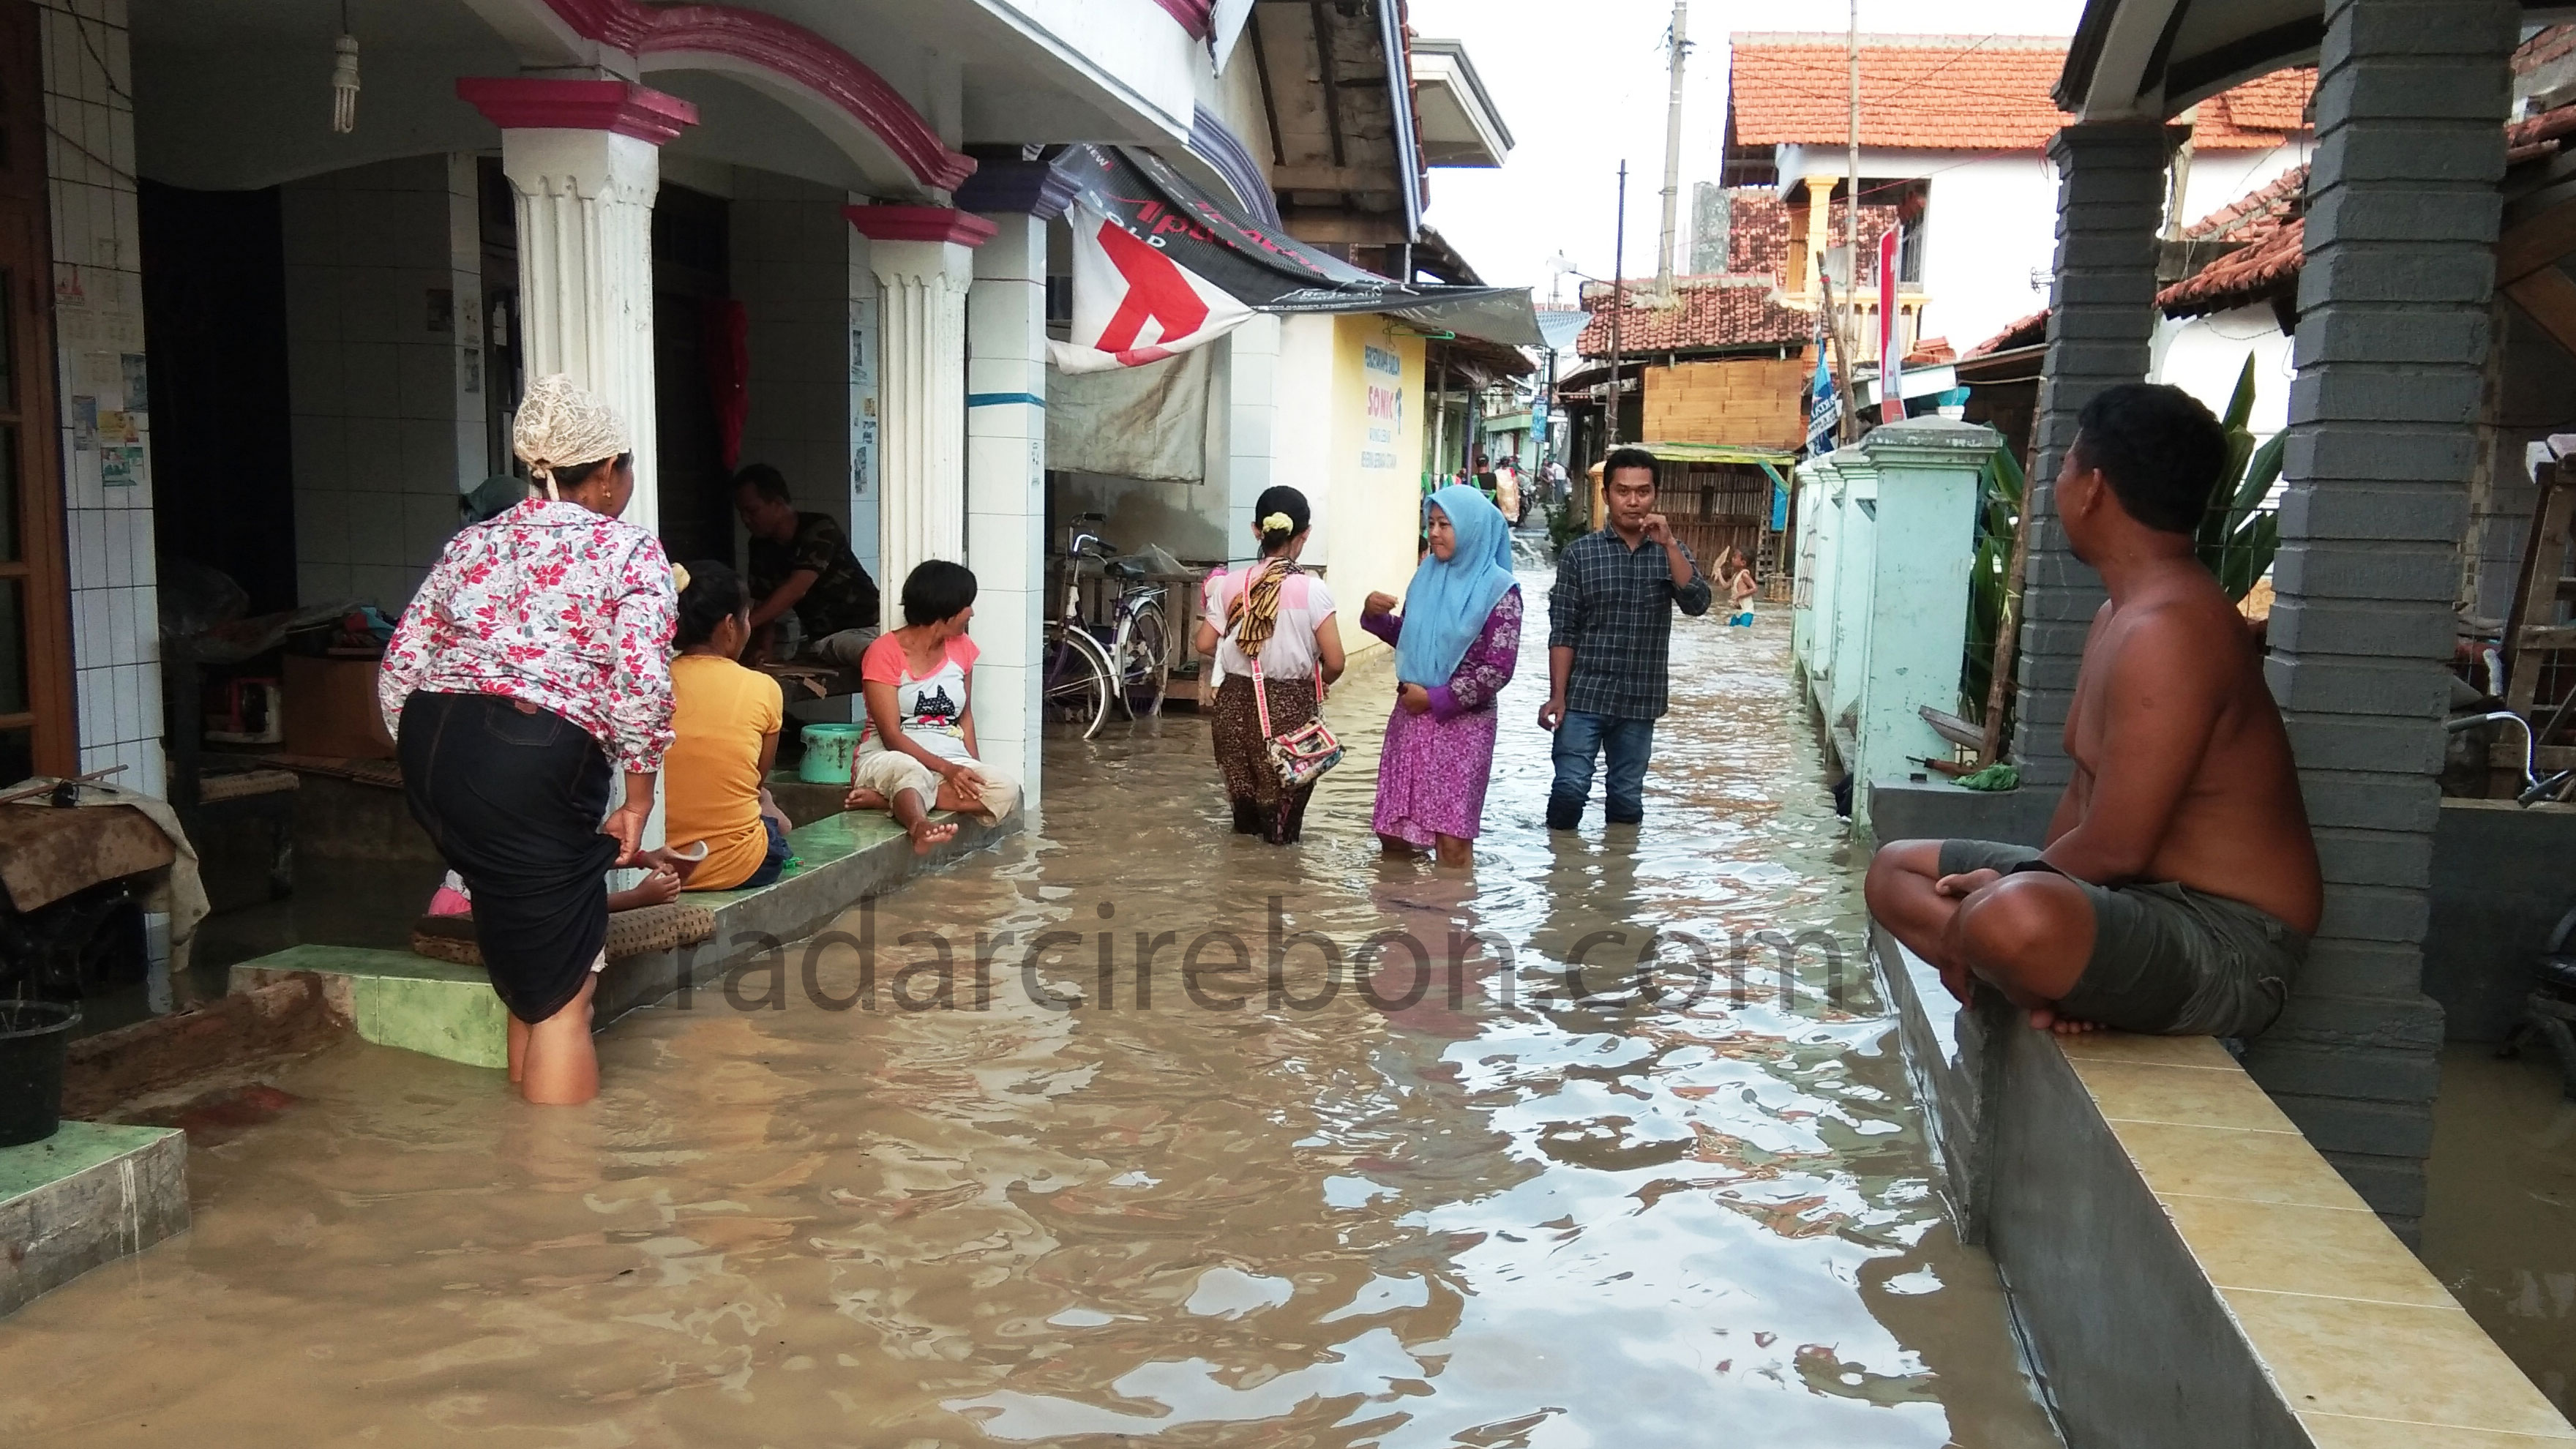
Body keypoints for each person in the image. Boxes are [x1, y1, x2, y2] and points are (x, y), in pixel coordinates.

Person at [1865, 383, 2321, 1038]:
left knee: (2013, 919)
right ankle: (2048, 977)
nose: (2058, 487)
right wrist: (2059, 905)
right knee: (1894, 870)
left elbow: (2117, 844)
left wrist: (2003, 911)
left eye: (2066, 467)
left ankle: (2022, 963)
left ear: (2094, 487)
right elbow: (2084, 800)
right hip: (2130, 904)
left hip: (2229, 940)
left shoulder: (2172, 630)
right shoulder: (2119, 614)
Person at [381, 374, 676, 1106]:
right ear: (607, 473)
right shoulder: (630, 551)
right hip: (534, 755)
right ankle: (558, 1198)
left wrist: (439, 765)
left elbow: (400, 668)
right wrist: (638, 801)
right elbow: (642, 685)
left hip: (434, 742)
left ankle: (516, 1157)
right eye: (629, 464)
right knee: (567, 998)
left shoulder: (470, 544)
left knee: (525, 966)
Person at [1540, 446, 1712, 829]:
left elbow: (1698, 603)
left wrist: (1669, 545)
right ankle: (1562, 877)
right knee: (1569, 790)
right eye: (1623, 491)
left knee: (1626, 799)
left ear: (1655, 495)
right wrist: (1557, 695)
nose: (1633, 501)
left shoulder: (1670, 553)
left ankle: (1619, 881)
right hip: (1584, 696)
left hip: (1641, 700)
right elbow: (1563, 629)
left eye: (1643, 491)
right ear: (1607, 496)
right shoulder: (1579, 555)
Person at [1362, 484, 1521, 868]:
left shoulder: (1501, 590)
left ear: (1470, 529)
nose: (1433, 533)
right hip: (1411, 721)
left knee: (1451, 841)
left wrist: (1435, 699)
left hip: (1462, 728)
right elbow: (1416, 639)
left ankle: (1450, 921)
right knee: (1394, 833)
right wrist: (1374, 617)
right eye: (1431, 523)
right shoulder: (1426, 576)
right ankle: (1398, 918)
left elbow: (1497, 669)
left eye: (1444, 524)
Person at [1196, 485, 1347, 845]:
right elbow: (1337, 661)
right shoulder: (1312, 590)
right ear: (1305, 533)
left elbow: (1204, 643)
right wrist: (1320, 681)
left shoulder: (1229, 585)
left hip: (1232, 707)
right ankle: (1278, 893)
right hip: (1289, 713)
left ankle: (1240, 893)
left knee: (1244, 821)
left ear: (1256, 531)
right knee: (1282, 826)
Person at [845, 560, 1022, 854]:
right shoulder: (883, 652)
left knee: (1007, 789)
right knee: (911, 771)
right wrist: (947, 770)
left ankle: (891, 799)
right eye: (967, 604)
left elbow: (964, 716)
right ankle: (919, 827)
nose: (972, 612)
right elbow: (890, 735)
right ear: (946, 609)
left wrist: (970, 767)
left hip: (948, 756)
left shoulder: (962, 647)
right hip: (889, 755)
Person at [666, 561, 796, 891]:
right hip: (738, 867)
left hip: (657, 866)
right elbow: (754, 780)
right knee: (764, 801)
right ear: (729, 625)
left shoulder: (647, 684)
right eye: (747, 618)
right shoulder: (762, 688)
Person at [733, 463, 881, 668]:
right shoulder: (760, 545)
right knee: (878, 658)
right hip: (834, 637)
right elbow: (764, 600)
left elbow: (796, 589)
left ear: (777, 503)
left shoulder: (820, 528)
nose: (745, 520)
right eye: (741, 512)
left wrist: (741, 627)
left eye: (752, 511)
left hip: (876, 622)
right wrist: (764, 649)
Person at [1717, 546, 1759, 626]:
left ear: (1743, 563)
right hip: (1738, 612)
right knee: (1733, 630)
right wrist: (1719, 574)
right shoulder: (1736, 575)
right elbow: (1725, 587)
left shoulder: (1744, 575)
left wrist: (1739, 595)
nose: (1732, 559)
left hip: (1747, 612)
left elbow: (1755, 588)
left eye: (1735, 557)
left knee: (1742, 632)